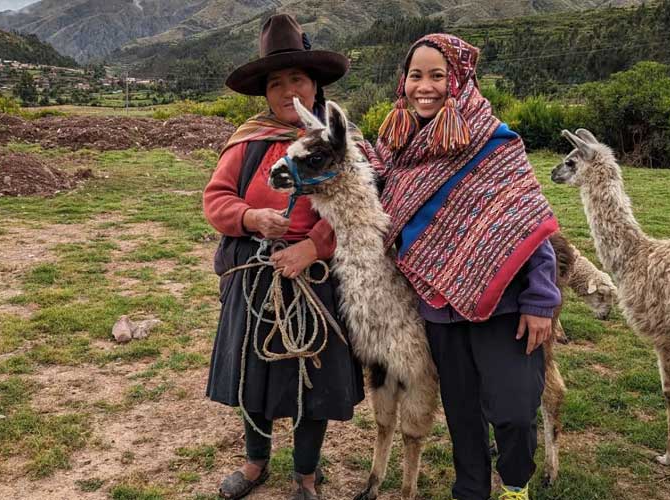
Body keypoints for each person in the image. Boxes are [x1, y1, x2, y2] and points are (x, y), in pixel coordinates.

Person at [371, 34, 561, 500]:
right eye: (416, 75)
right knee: (461, 413)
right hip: (438, 310)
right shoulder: (395, 149)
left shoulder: (495, 144)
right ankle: (471, 490)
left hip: (505, 305)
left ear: (459, 81)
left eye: (438, 75)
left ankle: (514, 485)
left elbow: (529, 221)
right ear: (403, 81)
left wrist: (541, 299)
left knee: (514, 409)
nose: (425, 87)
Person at [203, 14, 364, 500]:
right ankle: (255, 463)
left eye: (297, 79)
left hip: (316, 276)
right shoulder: (247, 142)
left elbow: (358, 206)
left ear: (314, 86)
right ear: (265, 93)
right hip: (256, 275)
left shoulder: (339, 142)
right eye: (276, 83)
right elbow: (216, 198)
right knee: (253, 375)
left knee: (313, 382)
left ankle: (306, 475)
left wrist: (313, 245)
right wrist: (250, 217)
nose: (288, 90)